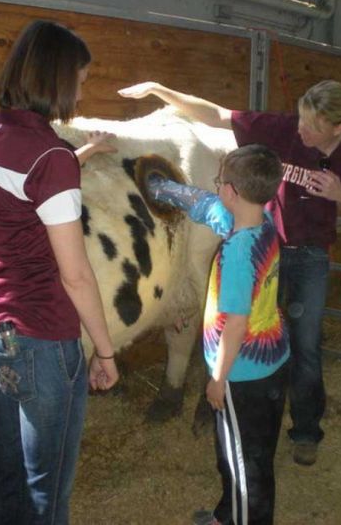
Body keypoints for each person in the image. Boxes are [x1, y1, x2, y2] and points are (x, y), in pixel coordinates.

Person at [119, 79, 341, 466]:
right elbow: (216, 114)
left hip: (310, 257)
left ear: (338, 128)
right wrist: (159, 90)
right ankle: (237, 399)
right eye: (301, 120)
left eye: (312, 127)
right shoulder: (282, 130)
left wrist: (340, 195)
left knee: (305, 345)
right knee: (247, 327)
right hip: (269, 246)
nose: (300, 131)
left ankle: (304, 430)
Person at [0, 20, 119, 525]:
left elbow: (22, 185)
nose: (82, 87)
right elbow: (75, 276)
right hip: (42, 342)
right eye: (81, 76)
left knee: (6, 470)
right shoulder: (49, 156)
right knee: (45, 492)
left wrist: (83, 154)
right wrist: (105, 348)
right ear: (57, 77)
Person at [148, 144, 289, 525]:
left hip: (241, 375)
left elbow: (236, 326)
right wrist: (162, 188)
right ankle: (228, 514)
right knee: (245, 454)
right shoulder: (264, 224)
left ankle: (242, 518)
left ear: (232, 191)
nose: (217, 188)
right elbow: (207, 206)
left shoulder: (237, 254)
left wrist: (216, 379)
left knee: (246, 467)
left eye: (220, 181)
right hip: (271, 364)